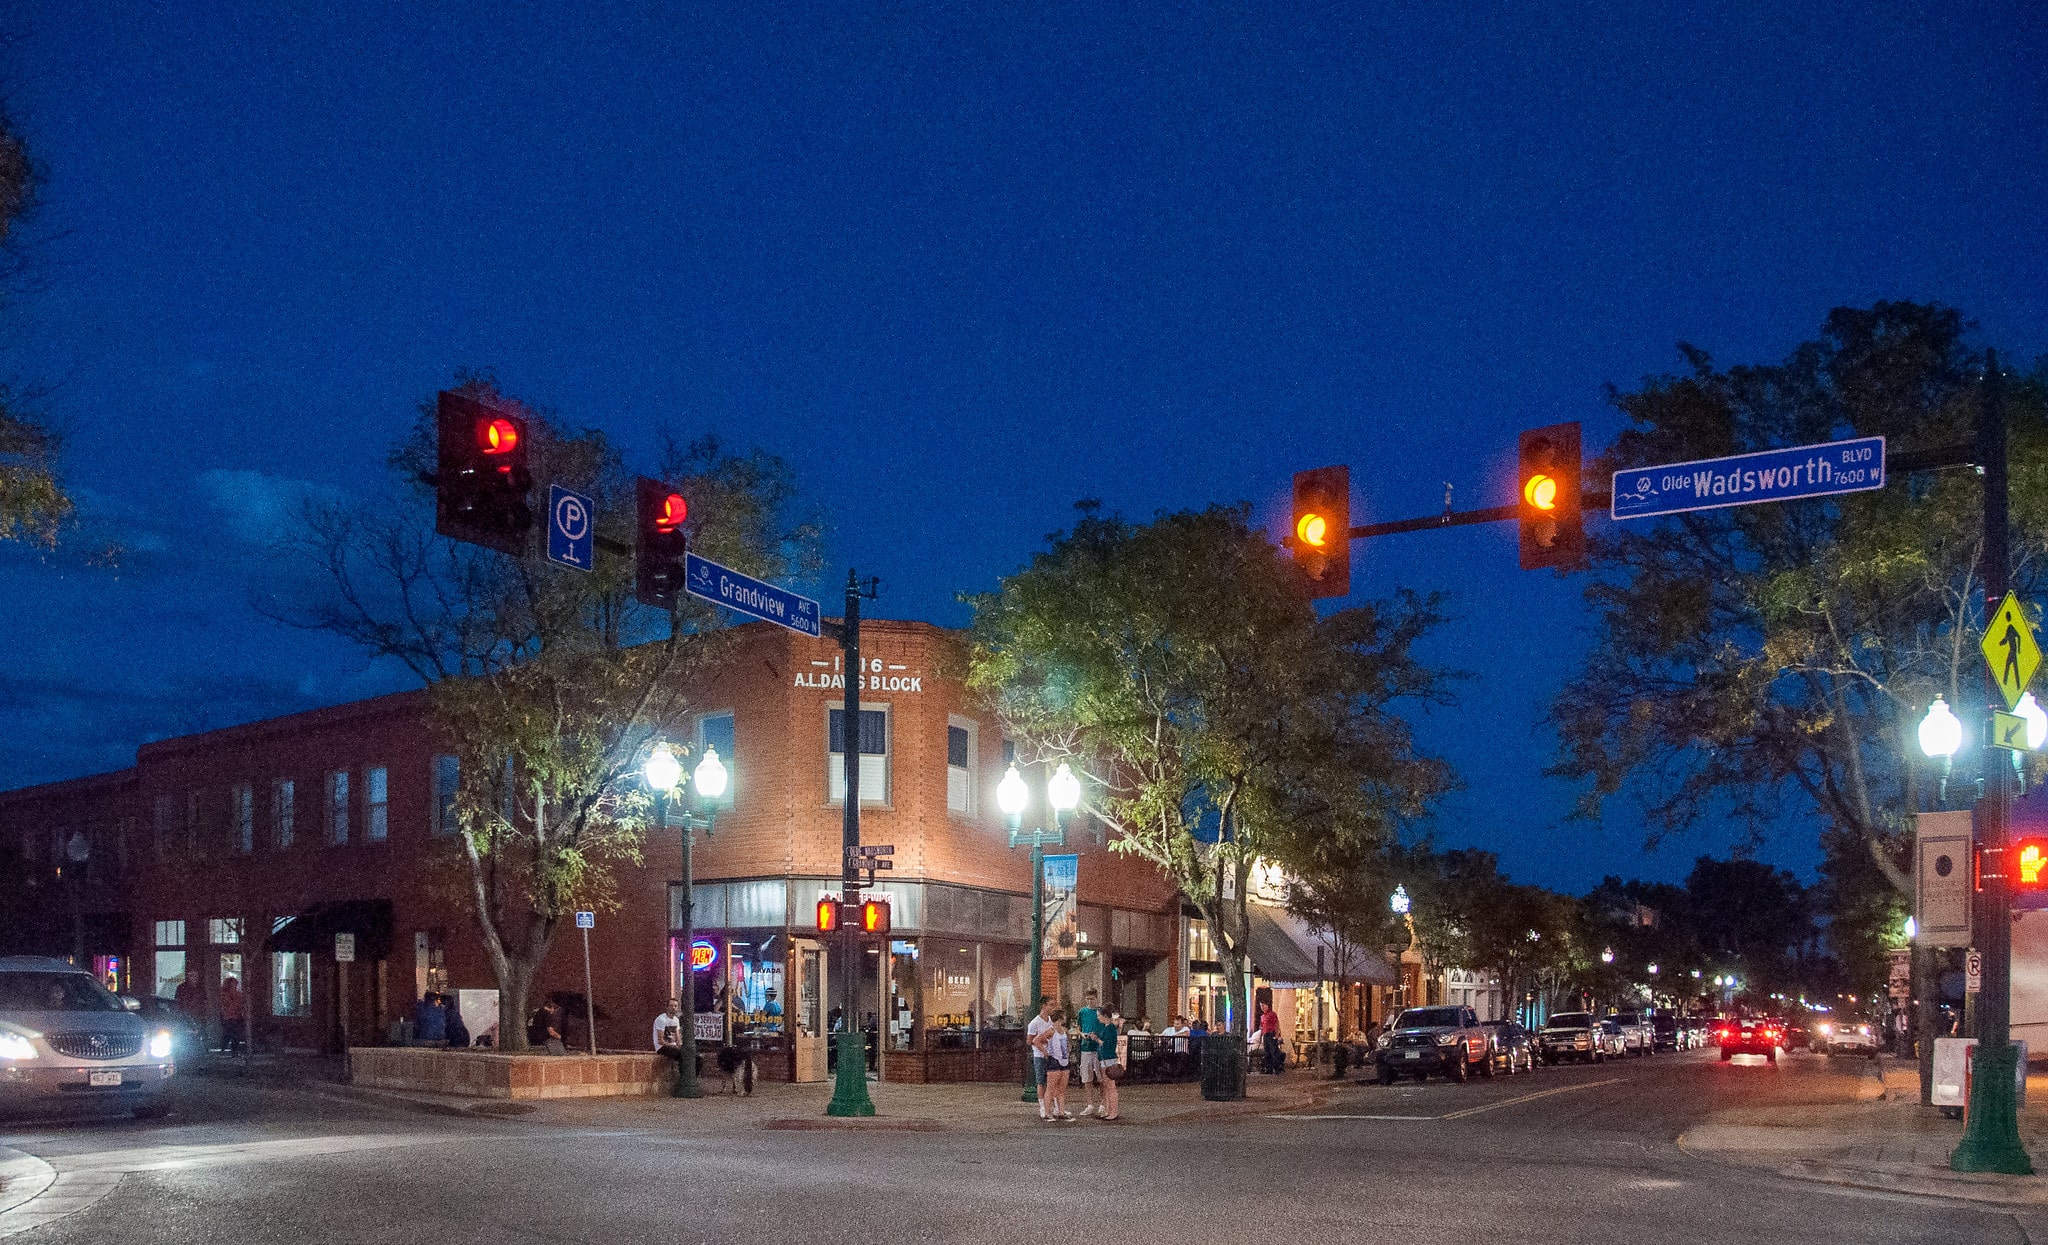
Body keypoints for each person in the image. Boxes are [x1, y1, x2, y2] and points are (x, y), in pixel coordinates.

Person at [1038, 1008, 1074, 1121]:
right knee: (1051, 1088)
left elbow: (1067, 1043)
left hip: (1064, 1060)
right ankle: (1048, 1112)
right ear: (1060, 1018)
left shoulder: (1063, 1030)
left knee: (1062, 1088)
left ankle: (1061, 1111)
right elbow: (1037, 1040)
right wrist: (1045, 1052)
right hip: (1054, 1060)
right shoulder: (1051, 1030)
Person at [1025, 998, 1057, 1120]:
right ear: (1043, 1006)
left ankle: (1051, 1105)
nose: (1052, 1008)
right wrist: (1044, 1040)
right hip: (1039, 1054)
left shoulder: (1051, 1021)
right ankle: (1042, 1106)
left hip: (1051, 1054)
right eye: (1050, 1005)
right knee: (1041, 1081)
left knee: (1051, 1081)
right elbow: (1029, 1040)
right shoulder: (1034, 1023)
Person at [1075, 988, 1105, 1117]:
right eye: (1087, 999)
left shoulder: (1101, 1012)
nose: (1089, 1001)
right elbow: (1078, 1027)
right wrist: (1082, 1034)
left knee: (1101, 1077)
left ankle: (1103, 1104)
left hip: (1098, 1048)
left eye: (1092, 999)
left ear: (1096, 998)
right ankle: (1089, 1104)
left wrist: (1097, 1037)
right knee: (1087, 1077)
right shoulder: (1082, 1012)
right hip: (1086, 1047)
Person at [1095, 1009, 1123, 1121]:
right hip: (1106, 1058)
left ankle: (1112, 1111)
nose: (1098, 1018)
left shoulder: (1110, 1027)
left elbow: (1106, 1043)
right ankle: (1108, 1110)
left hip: (1108, 1058)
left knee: (1110, 1086)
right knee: (1107, 1086)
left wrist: (1096, 1039)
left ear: (1104, 1016)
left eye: (1099, 1015)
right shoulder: (1109, 1027)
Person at [219, 976, 246, 1054]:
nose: (235, 986)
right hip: (228, 1017)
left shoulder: (238, 994)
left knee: (235, 1035)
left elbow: (241, 1004)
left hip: (236, 1017)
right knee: (228, 1034)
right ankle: (223, 1049)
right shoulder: (224, 994)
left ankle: (234, 1050)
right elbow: (225, 1005)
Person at [1258, 1001, 1282, 1074]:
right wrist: (1261, 1036)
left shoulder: (1272, 1014)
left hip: (1271, 1034)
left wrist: (1277, 1034)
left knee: (1274, 1051)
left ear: (1267, 1005)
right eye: (1261, 1006)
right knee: (1267, 1052)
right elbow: (1261, 1027)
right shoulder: (1262, 1016)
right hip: (1265, 1035)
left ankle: (1277, 1068)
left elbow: (1276, 1023)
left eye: (1263, 1005)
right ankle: (1269, 1069)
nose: (1262, 1007)